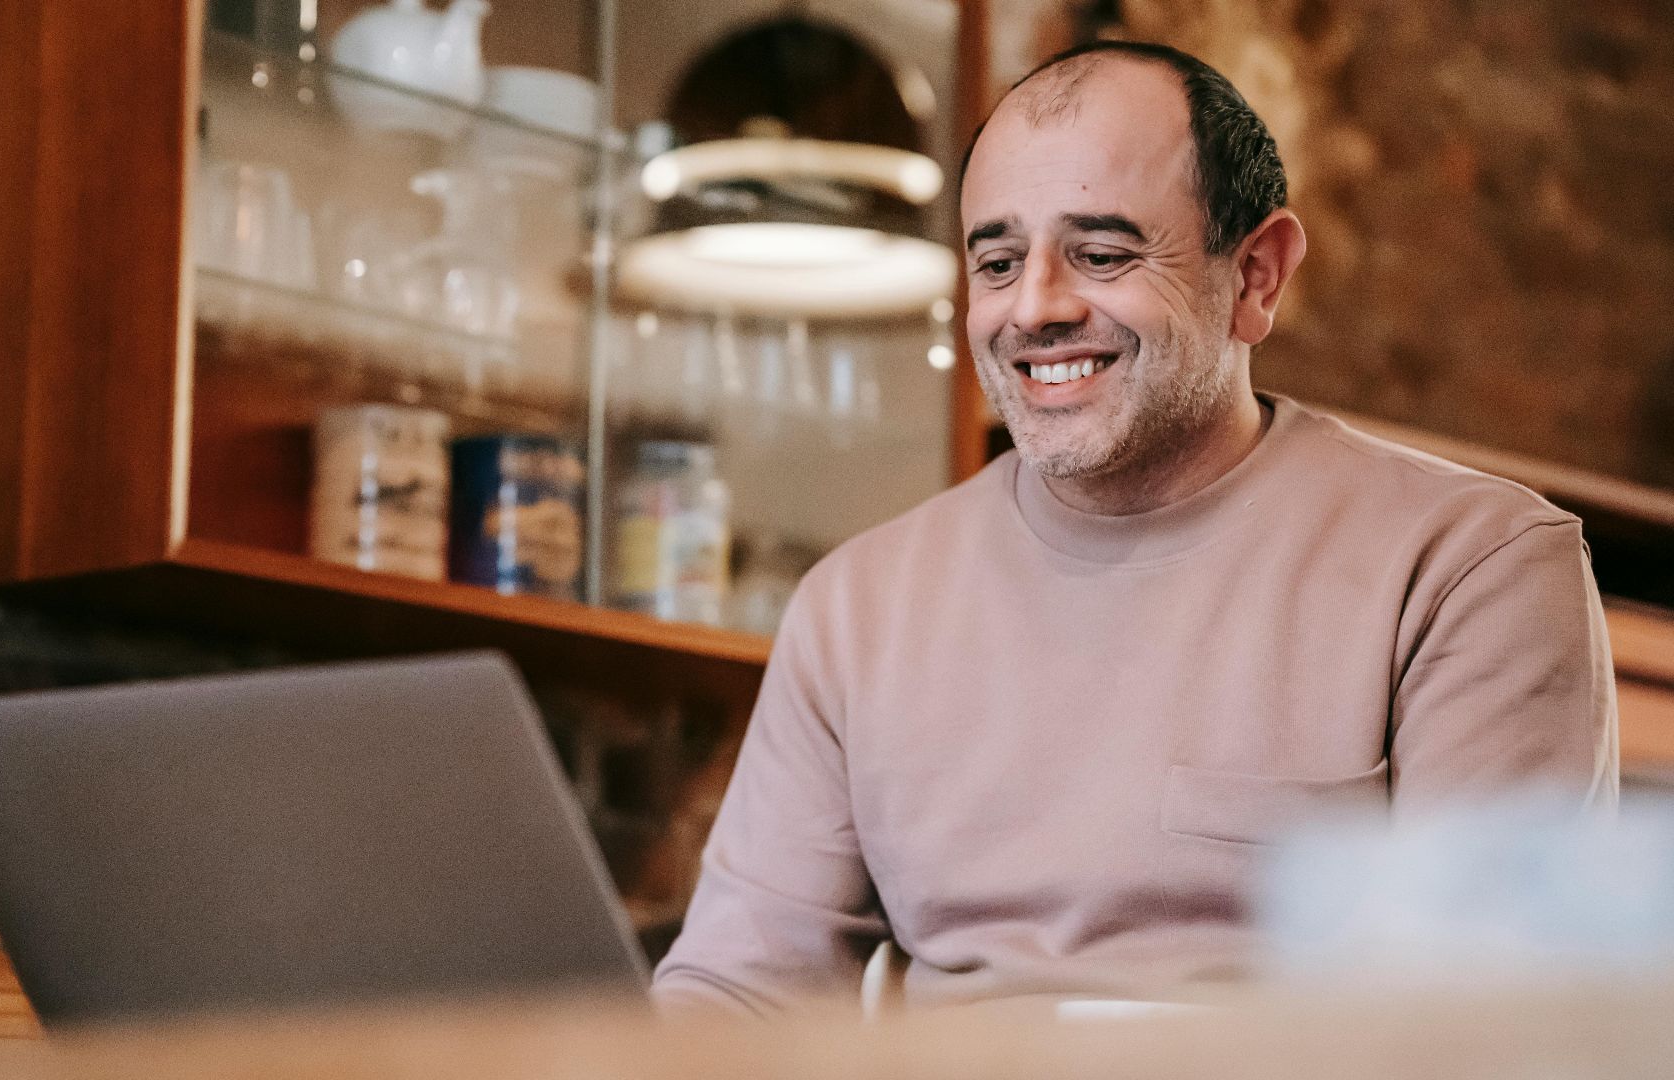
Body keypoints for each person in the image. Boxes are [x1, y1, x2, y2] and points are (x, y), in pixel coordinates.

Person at [650, 41, 1619, 1015]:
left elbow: (1492, 1025)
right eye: (997, 261)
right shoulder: (856, 607)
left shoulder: (1470, 568)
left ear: (1256, 276)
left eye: (1102, 254)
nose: (1034, 308)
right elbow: (742, 991)